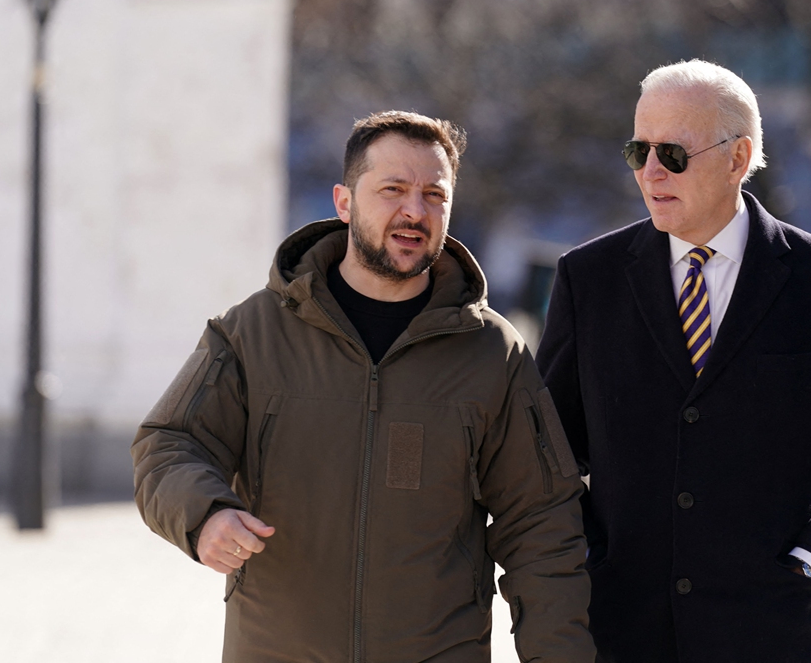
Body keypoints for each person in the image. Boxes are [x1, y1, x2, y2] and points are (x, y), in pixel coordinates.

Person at [132, 111, 594, 662]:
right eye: (393, 189)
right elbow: (169, 443)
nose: (414, 211)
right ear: (345, 201)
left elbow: (542, 522)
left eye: (434, 195)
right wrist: (204, 514)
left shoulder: (492, 352)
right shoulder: (254, 331)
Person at [536, 60, 811, 662]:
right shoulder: (589, 280)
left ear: (738, 158)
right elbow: (545, 452)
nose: (652, 171)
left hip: (773, 636)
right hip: (624, 633)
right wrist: (590, 556)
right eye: (639, 151)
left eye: (673, 153)